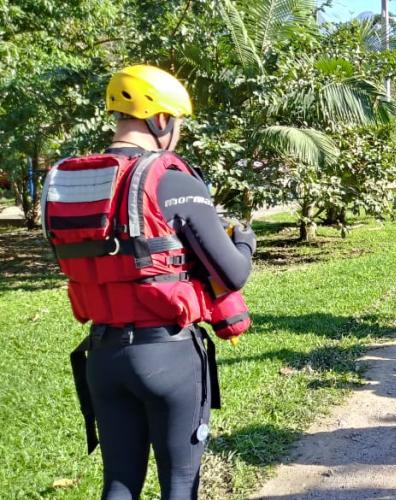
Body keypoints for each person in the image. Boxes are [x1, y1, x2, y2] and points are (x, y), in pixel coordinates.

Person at [41, 64, 256, 499]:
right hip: (169, 355)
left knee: (120, 482)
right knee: (179, 483)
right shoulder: (172, 178)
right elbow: (232, 273)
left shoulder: (72, 182)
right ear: (161, 119)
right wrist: (246, 243)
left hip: (102, 356)